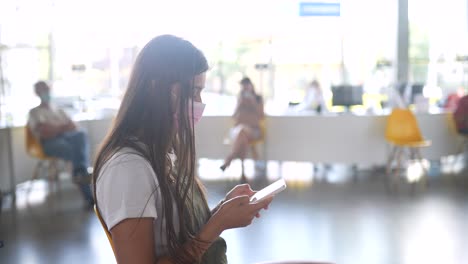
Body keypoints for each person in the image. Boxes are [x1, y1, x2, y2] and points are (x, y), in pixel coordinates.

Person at [92, 35, 273, 264]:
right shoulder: (127, 168)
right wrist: (218, 224)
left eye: (201, 92)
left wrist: (221, 211)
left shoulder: (164, 150)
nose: (199, 103)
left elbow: (182, 232)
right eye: (192, 92)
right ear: (156, 87)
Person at [27, 81, 93, 206]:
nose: (46, 92)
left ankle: (79, 174)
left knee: (81, 135)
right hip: (48, 144)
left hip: (67, 138)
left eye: (47, 89)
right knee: (77, 153)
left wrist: (54, 128)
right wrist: (63, 127)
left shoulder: (58, 110)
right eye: (43, 90)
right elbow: (45, 133)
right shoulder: (34, 112)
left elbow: (74, 127)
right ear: (37, 93)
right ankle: (86, 189)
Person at [220, 77, 265, 182]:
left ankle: (229, 160)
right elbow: (234, 116)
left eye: (246, 86)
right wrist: (240, 105)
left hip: (254, 130)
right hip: (239, 130)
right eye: (243, 87)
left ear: (251, 85)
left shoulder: (258, 98)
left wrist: (253, 103)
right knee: (242, 137)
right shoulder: (240, 98)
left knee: (242, 132)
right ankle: (242, 173)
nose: (245, 88)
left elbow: (261, 116)